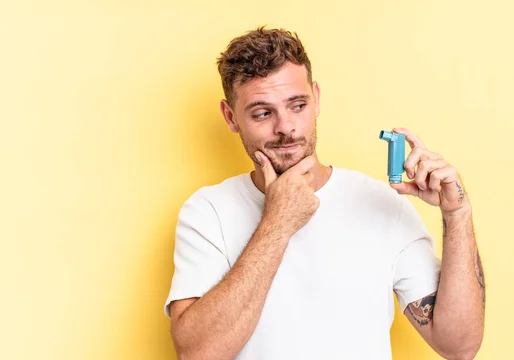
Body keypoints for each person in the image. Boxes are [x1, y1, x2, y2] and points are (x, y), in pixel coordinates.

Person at [164, 26, 485, 360]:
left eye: (298, 105)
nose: (285, 127)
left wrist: (457, 213)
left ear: (316, 99)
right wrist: (279, 221)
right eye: (262, 112)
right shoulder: (207, 212)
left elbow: (459, 346)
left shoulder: (382, 204)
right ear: (231, 117)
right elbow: (198, 354)